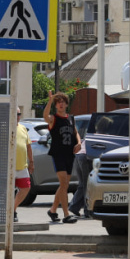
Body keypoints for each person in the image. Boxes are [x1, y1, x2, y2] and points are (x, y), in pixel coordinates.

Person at [43, 90, 81, 224]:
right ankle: (66, 214)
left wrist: (79, 142)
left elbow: (76, 132)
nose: (60, 104)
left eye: (62, 102)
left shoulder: (71, 118)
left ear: (66, 104)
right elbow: (45, 116)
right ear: (55, 105)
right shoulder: (53, 118)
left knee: (64, 184)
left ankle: (53, 210)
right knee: (64, 183)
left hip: (69, 154)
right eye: (58, 102)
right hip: (58, 154)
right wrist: (49, 100)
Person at [13, 107, 34, 223]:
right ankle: (9, 212)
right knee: (8, 192)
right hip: (9, 167)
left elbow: (28, 146)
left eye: (19, 114)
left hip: (22, 165)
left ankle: (13, 209)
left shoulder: (22, 128)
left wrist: (31, 162)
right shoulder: (5, 128)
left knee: (26, 188)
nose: (17, 116)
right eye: (15, 114)